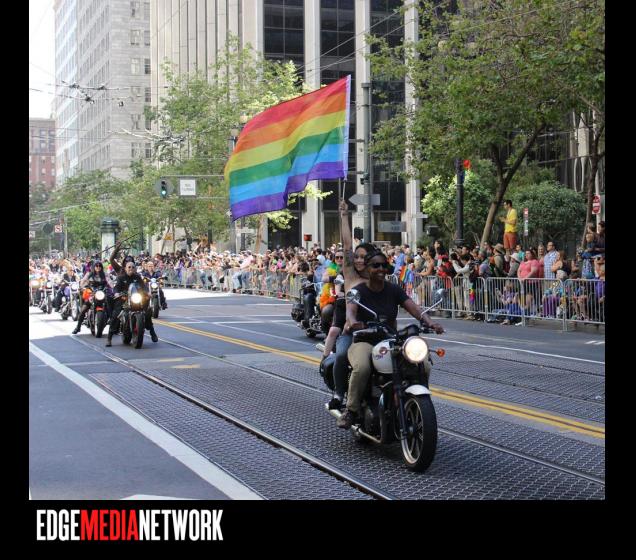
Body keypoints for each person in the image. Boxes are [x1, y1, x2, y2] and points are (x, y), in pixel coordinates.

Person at [337, 250, 444, 429]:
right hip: (365, 340)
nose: (381, 269)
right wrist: (354, 322)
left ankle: (417, 400)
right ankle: (351, 410)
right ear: (367, 269)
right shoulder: (358, 291)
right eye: (375, 265)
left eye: (384, 265)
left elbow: (414, 308)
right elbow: (351, 311)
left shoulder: (393, 289)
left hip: (390, 339)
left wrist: (430, 322)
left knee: (422, 363)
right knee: (362, 367)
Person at [106, 260, 158, 347]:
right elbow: (116, 287)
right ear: (125, 268)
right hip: (124, 299)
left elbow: (144, 287)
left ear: (135, 269)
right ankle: (109, 337)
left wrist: (147, 292)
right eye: (129, 267)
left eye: (133, 267)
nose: (131, 268)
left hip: (136, 298)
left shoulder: (137, 277)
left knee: (147, 312)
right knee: (116, 314)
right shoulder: (121, 278)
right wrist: (116, 293)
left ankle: (152, 332)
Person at [72, 261, 112, 334]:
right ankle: (78, 327)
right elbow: (83, 281)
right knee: (83, 310)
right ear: (94, 267)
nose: (98, 267)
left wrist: (113, 287)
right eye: (96, 266)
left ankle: (113, 325)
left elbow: (110, 282)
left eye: (99, 266)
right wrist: (81, 287)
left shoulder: (105, 274)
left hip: (102, 293)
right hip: (92, 294)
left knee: (110, 306)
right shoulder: (89, 274)